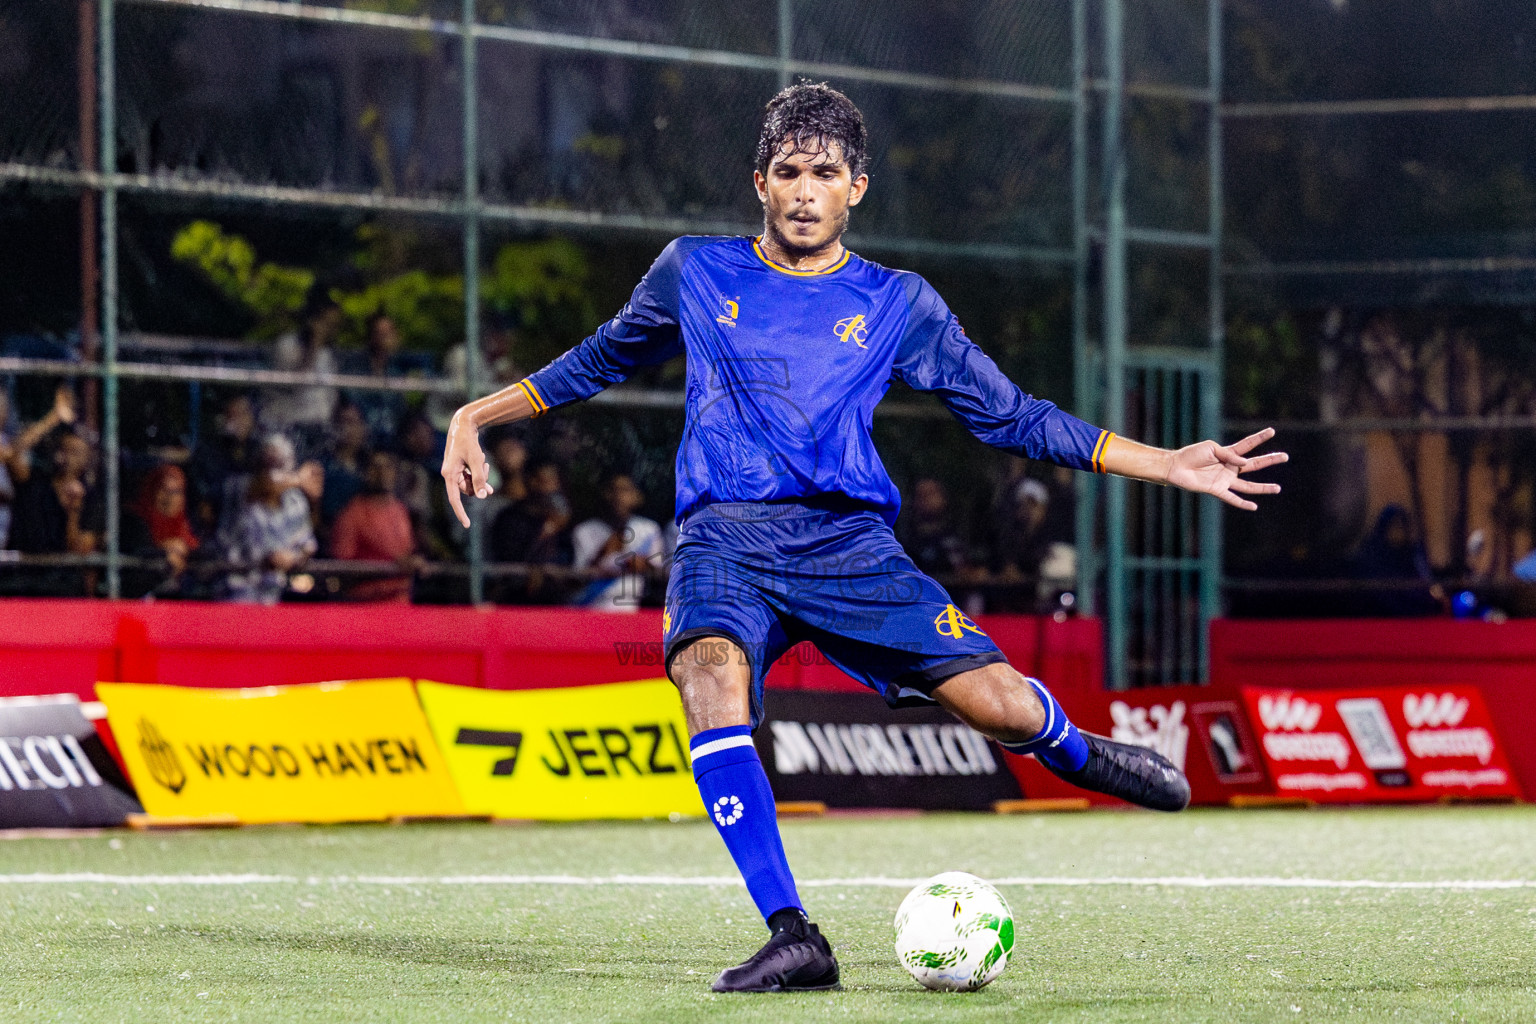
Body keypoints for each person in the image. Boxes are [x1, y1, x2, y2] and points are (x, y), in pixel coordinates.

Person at [440, 83, 1285, 992]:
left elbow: (1013, 418)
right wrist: (473, 417)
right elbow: (601, 354)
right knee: (708, 673)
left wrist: (1167, 464)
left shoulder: (899, 303)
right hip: (724, 536)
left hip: (851, 549)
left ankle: (1077, 752)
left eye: (827, 174)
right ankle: (793, 933)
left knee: (998, 705)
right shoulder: (695, 270)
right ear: (758, 182)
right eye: (791, 172)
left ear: (858, 189)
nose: (807, 191)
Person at [224, 434, 319, 605]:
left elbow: (307, 545)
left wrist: (295, 557)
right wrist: (299, 479)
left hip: (276, 594)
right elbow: (264, 485)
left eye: (281, 462)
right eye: (269, 461)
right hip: (237, 591)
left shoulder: (295, 500)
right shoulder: (239, 488)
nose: (275, 469)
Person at [330, 450, 419, 603]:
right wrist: (391, 565)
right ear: (365, 472)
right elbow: (342, 568)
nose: (382, 473)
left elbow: (407, 551)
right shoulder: (352, 514)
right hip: (367, 607)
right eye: (376, 467)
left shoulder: (400, 510)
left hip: (401, 605)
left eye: (388, 467)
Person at [570, 471, 663, 611]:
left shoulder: (648, 529)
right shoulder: (585, 530)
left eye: (625, 490)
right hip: (593, 606)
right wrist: (603, 553)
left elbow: (660, 572)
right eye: (613, 490)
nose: (618, 496)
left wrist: (643, 564)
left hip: (633, 608)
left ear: (636, 496)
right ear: (604, 494)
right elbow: (576, 579)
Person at [263, 292, 342, 451]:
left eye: (334, 325)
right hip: (290, 424)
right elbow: (295, 383)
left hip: (321, 427)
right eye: (327, 324)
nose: (331, 330)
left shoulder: (327, 354)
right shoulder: (287, 346)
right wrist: (314, 345)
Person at [489, 457, 571, 603]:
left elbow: (568, 559)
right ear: (532, 482)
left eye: (555, 481)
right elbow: (511, 562)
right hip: (517, 599)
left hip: (556, 601)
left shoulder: (561, 521)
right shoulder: (510, 518)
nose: (553, 488)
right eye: (547, 481)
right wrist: (546, 530)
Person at [187, 392, 261, 542]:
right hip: (217, 530)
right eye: (232, 415)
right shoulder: (207, 451)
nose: (237, 421)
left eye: (243, 414)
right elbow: (204, 501)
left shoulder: (259, 451)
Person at [121, 464, 199, 598]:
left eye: (176, 492)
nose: (169, 498)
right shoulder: (134, 521)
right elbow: (136, 556)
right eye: (164, 490)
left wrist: (185, 553)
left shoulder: (191, 525)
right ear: (152, 491)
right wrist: (163, 552)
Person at [342, 313, 411, 446]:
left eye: (389, 332)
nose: (386, 338)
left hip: (393, 437)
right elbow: (351, 402)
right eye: (380, 333)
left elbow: (402, 410)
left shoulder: (397, 370)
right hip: (363, 436)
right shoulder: (355, 368)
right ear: (371, 337)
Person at [897, 477, 970, 578]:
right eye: (920, 495)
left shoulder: (955, 536)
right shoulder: (907, 540)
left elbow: (964, 572)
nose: (926, 499)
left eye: (931, 493)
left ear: (944, 498)